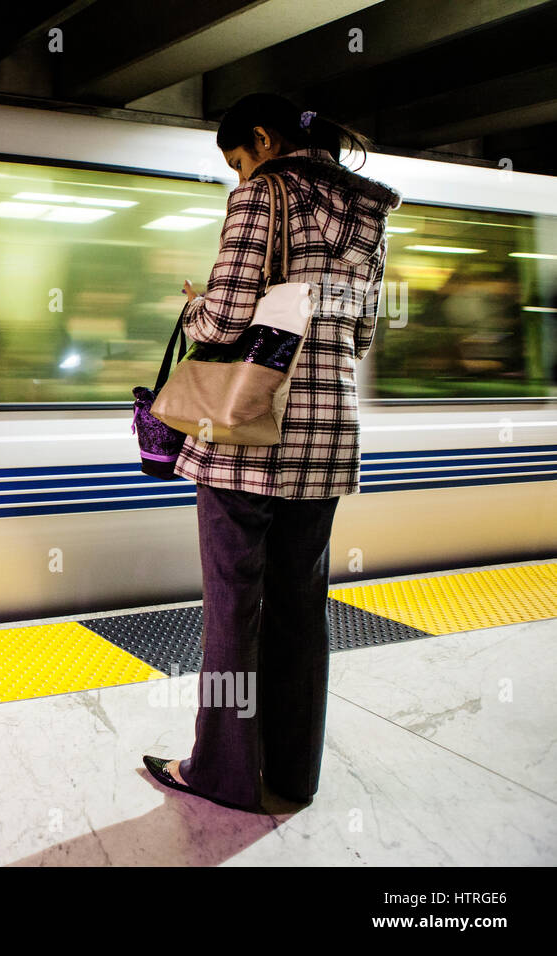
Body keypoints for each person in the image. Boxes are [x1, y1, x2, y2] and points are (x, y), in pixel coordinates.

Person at [142, 94, 402, 811]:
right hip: (326, 440)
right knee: (301, 611)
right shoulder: (372, 211)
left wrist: (192, 305)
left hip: (248, 437)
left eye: (237, 159)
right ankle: (294, 775)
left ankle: (222, 773)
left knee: (234, 611)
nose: (237, 175)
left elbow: (225, 315)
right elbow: (364, 332)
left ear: (261, 140)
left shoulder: (265, 194)